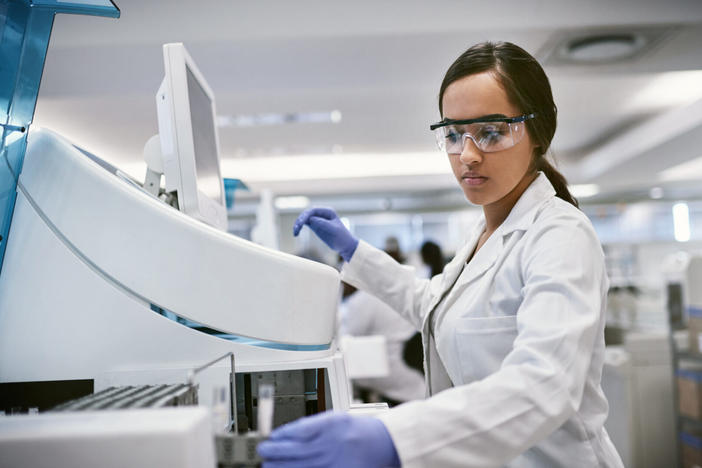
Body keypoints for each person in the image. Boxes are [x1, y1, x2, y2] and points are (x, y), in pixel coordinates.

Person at [258, 41, 624, 468]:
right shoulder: (484, 234)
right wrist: (354, 251)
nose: (467, 155)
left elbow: (546, 384)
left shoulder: (560, 236)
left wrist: (394, 438)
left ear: (538, 132)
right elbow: (430, 306)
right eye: (453, 134)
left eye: (491, 131)